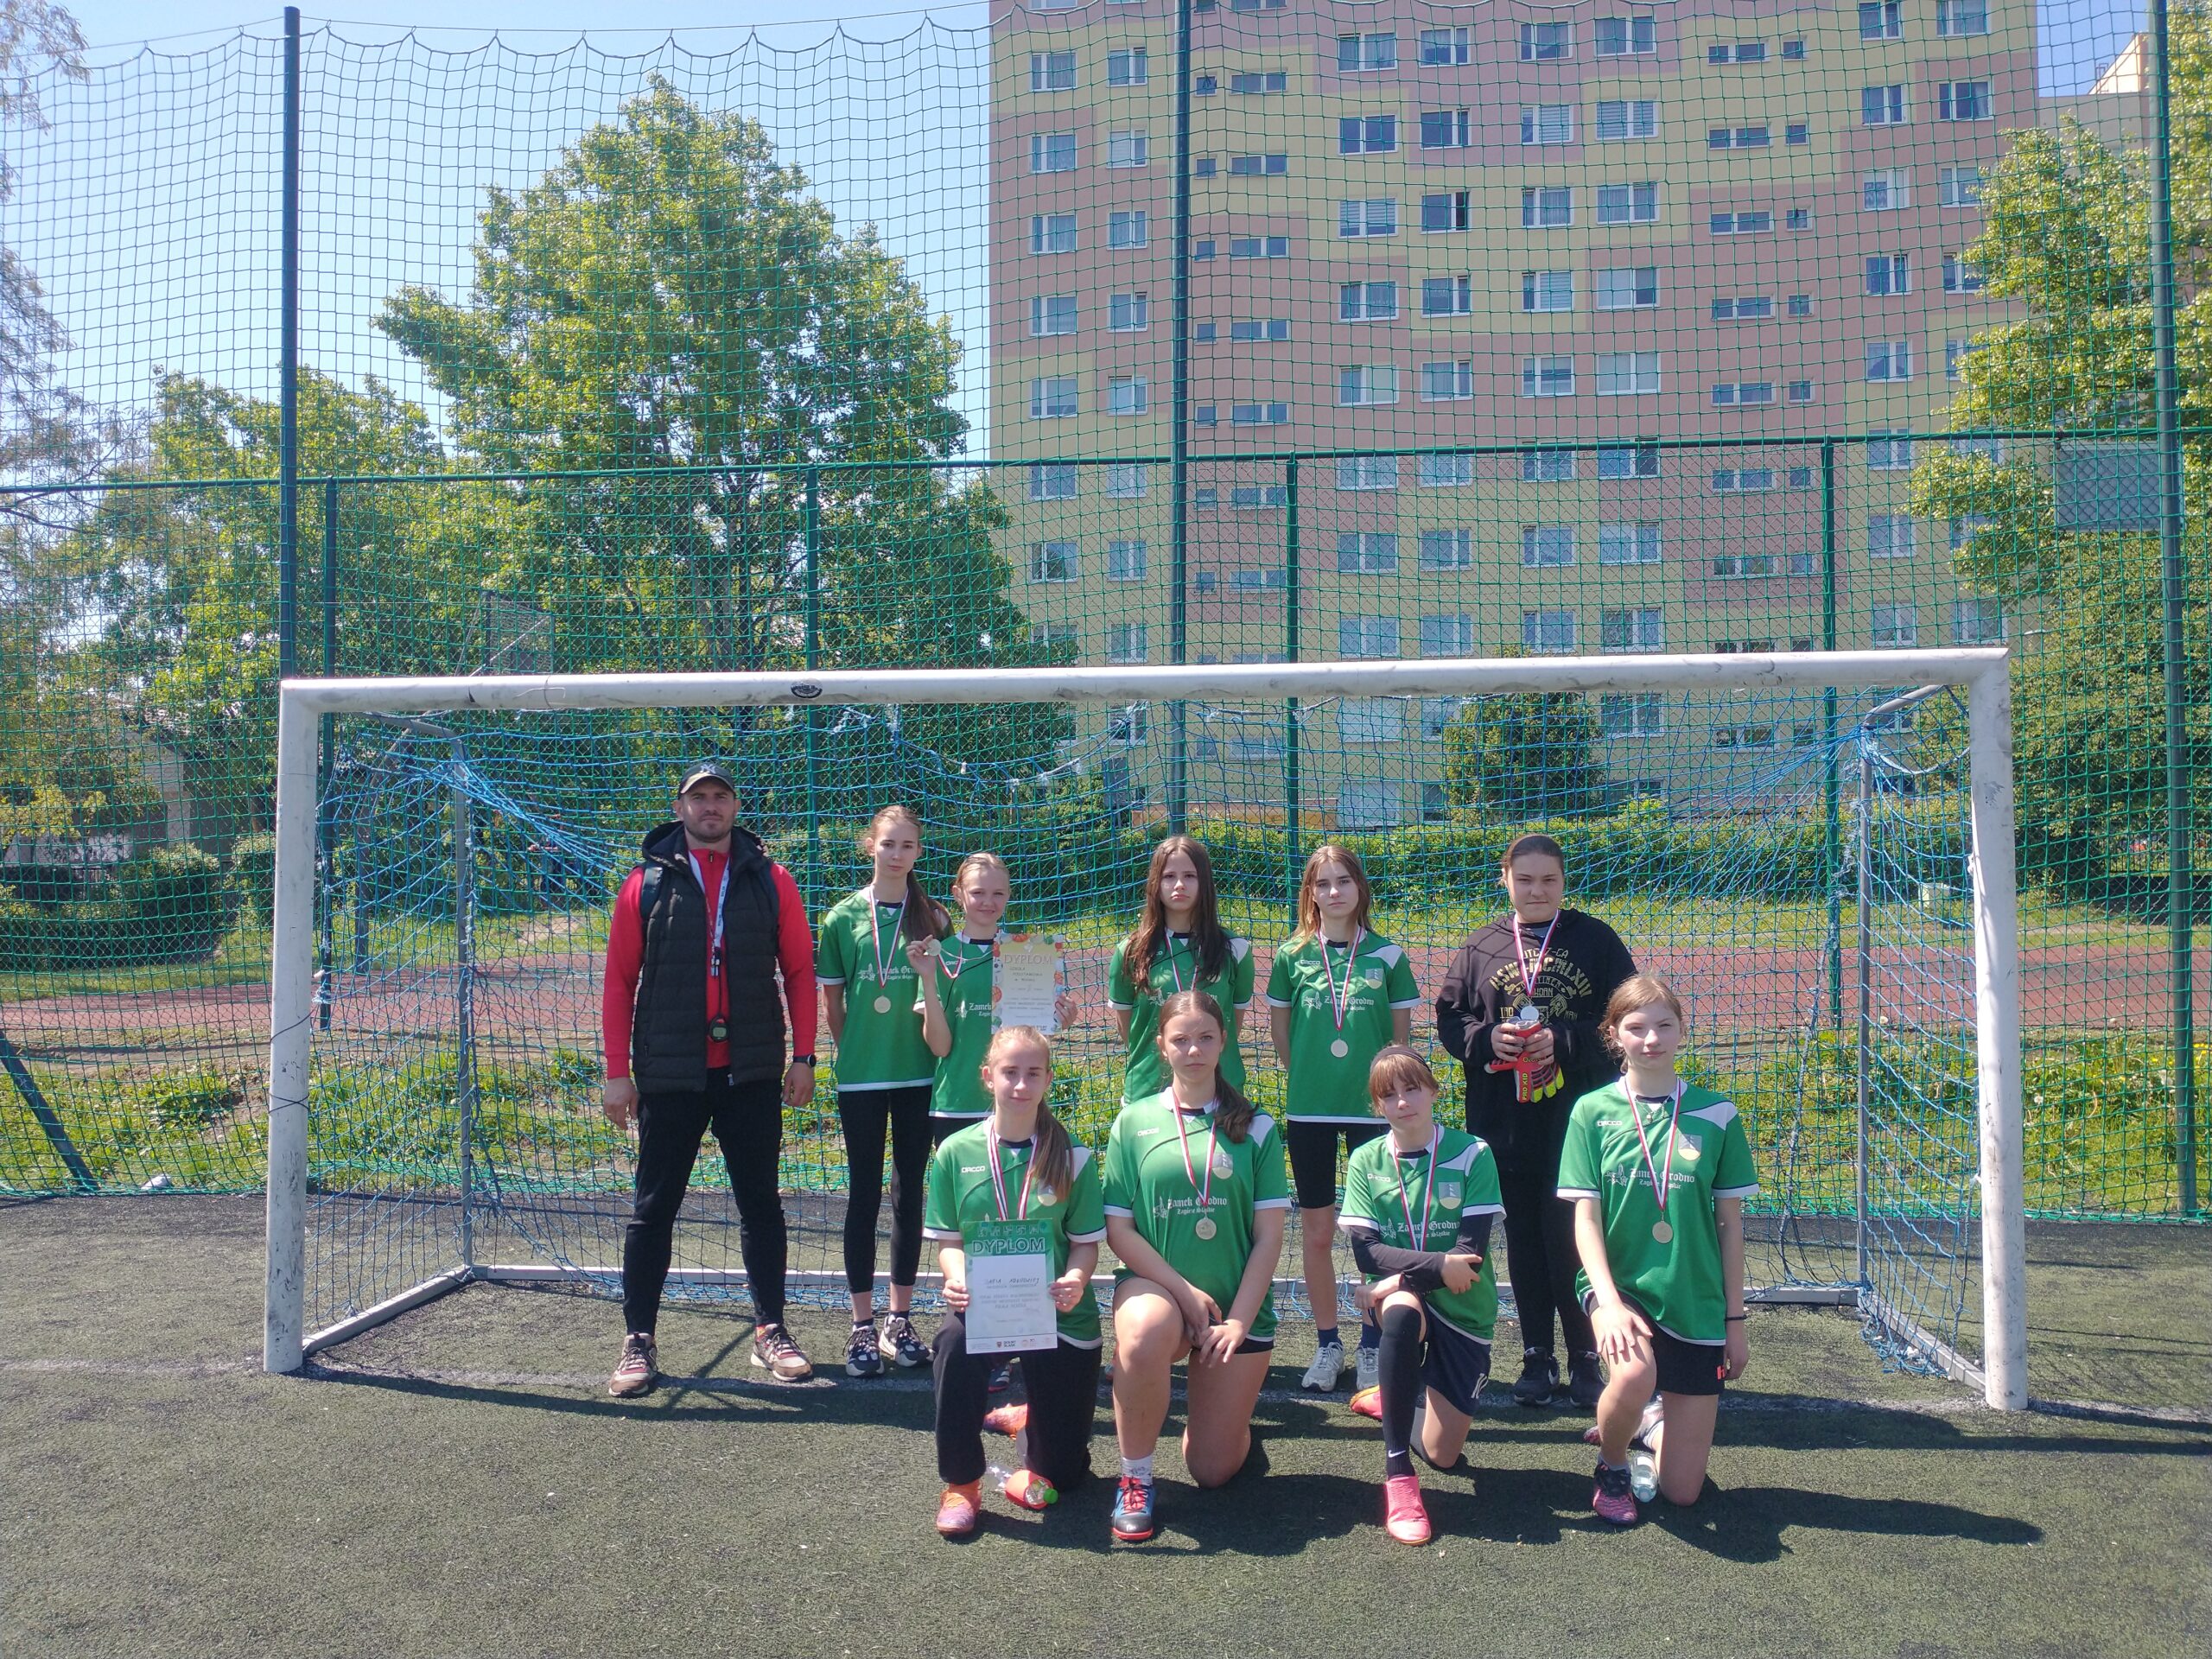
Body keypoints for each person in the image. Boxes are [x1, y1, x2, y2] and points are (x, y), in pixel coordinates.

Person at [600, 760, 818, 1395]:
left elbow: (800, 972)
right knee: (653, 1210)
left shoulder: (772, 879)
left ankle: (770, 1329)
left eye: (721, 796)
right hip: (669, 1074)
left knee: (761, 1205)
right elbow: (619, 981)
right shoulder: (644, 883)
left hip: (750, 1071)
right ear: (680, 807)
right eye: (700, 797)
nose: (711, 807)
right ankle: (638, 1339)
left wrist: (804, 1056)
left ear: (735, 806)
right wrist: (616, 1073)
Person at [1435, 832, 1636, 1410]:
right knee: (1523, 1237)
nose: (1537, 890)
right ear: (1506, 880)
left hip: (1578, 1123)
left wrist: (1564, 1040)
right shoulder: (1481, 946)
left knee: (1572, 1236)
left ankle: (1586, 1356)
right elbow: (1450, 1020)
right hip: (1505, 1124)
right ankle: (1536, 1356)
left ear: (1564, 881)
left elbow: (1624, 1019)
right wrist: (1485, 1039)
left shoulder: (1596, 941)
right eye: (1524, 879)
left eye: (1549, 879)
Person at [1557, 975, 1758, 1527]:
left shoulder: (1718, 1114)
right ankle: (1612, 1464)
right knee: (1631, 1374)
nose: (1652, 1039)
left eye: (1664, 1025)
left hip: (1694, 1296)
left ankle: (1648, 1424)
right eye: (1637, 1027)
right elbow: (1585, 1220)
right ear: (1613, 1035)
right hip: (1620, 1287)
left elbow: (1730, 1227)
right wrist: (1608, 1304)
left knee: (1683, 1493)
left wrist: (1735, 1320)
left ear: (1682, 1031)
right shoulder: (1591, 1112)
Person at [1102, 990, 1290, 1543]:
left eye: (1206, 1037)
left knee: (1212, 1471)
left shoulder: (1257, 1127)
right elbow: (1119, 1231)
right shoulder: (1132, 1122)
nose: (1194, 1050)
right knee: (1143, 1332)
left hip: (1232, 1311)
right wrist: (1183, 1293)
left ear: (1224, 1041)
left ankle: (1230, 1425)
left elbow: (1269, 1237)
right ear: (1161, 1046)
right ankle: (1135, 1478)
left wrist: (1238, 1322)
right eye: (1181, 1039)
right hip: (1158, 1292)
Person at [923, 1026, 1106, 1537]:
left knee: (1064, 1478)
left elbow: (1085, 1244)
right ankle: (962, 1483)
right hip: (987, 1306)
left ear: (1048, 1079)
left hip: (1059, 1312)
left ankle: (1028, 1421)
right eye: (1010, 1073)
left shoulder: (1073, 1156)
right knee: (953, 1341)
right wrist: (955, 1279)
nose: (1021, 1085)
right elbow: (949, 1242)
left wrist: (1076, 1278)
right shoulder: (955, 1152)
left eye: (1033, 1073)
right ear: (988, 1077)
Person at [1265, 843, 1420, 1395]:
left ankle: (1373, 1344)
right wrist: (1310, 1076)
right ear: (1310, 893)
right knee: (1317, 1231)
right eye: (1323, 883)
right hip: (1309, 1111)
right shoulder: (1291, 956)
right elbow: (1282, 1036)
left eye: (1344, 881)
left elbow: (1398, 1044)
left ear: (1360, 888)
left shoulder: (1388, 956)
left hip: (1370, 1114)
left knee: (1373, 1232)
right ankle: (1328, 1343)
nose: (1334, 892)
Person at [1339, 1046, 1504, 1546]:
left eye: (1412, 1089)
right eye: (1388, 1095)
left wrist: (1396, 1278)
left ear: (1433, 1091)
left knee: (1444, 1456)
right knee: (1400, 1315)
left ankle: (1394, 1398)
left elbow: (1469, 1260)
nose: (1402, 1102)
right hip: (1407, 1302)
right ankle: (1399, 1477)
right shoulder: (1366, 1160)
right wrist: (1419, 1275)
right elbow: (1367, 1252)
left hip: (1464, 1308)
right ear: (1377, 1105)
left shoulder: (1472, 1153)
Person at [818, 804, 950, 1378]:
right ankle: (861, 1325)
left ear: (918, 851)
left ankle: (899, 1319)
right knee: (863, 1196)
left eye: (908, 845)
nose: (897, 854)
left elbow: (947, 996)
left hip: (920, 1073)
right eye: (888, 843)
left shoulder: (934, 917)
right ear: (869, 845)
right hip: (863, 1077)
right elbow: (833, 1003)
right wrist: (856, 1052)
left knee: (909, 1194)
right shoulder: (841, 918)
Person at [912, 850, 1079, 1146]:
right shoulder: (940, 954)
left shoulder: (1027, 953)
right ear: (958, 894)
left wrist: (1058, 1020)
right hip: (957, 1103)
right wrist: (927, 977)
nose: (988, 901)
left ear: (1008, 896)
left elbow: (1033, 1038)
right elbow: (940, 1047)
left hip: (1017, 1100)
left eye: (998, 893)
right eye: (978, 892)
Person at [1106, 836, 1255, 1107]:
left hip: (1220, 1092)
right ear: (1155, 883)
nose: (1179, 885)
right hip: (1148, 1089)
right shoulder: (1130, 952)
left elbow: (1232, 1024)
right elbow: (1128, 1029)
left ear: (1204, 882)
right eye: (1169, 876)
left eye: (1189, 876)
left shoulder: (1235, 950)